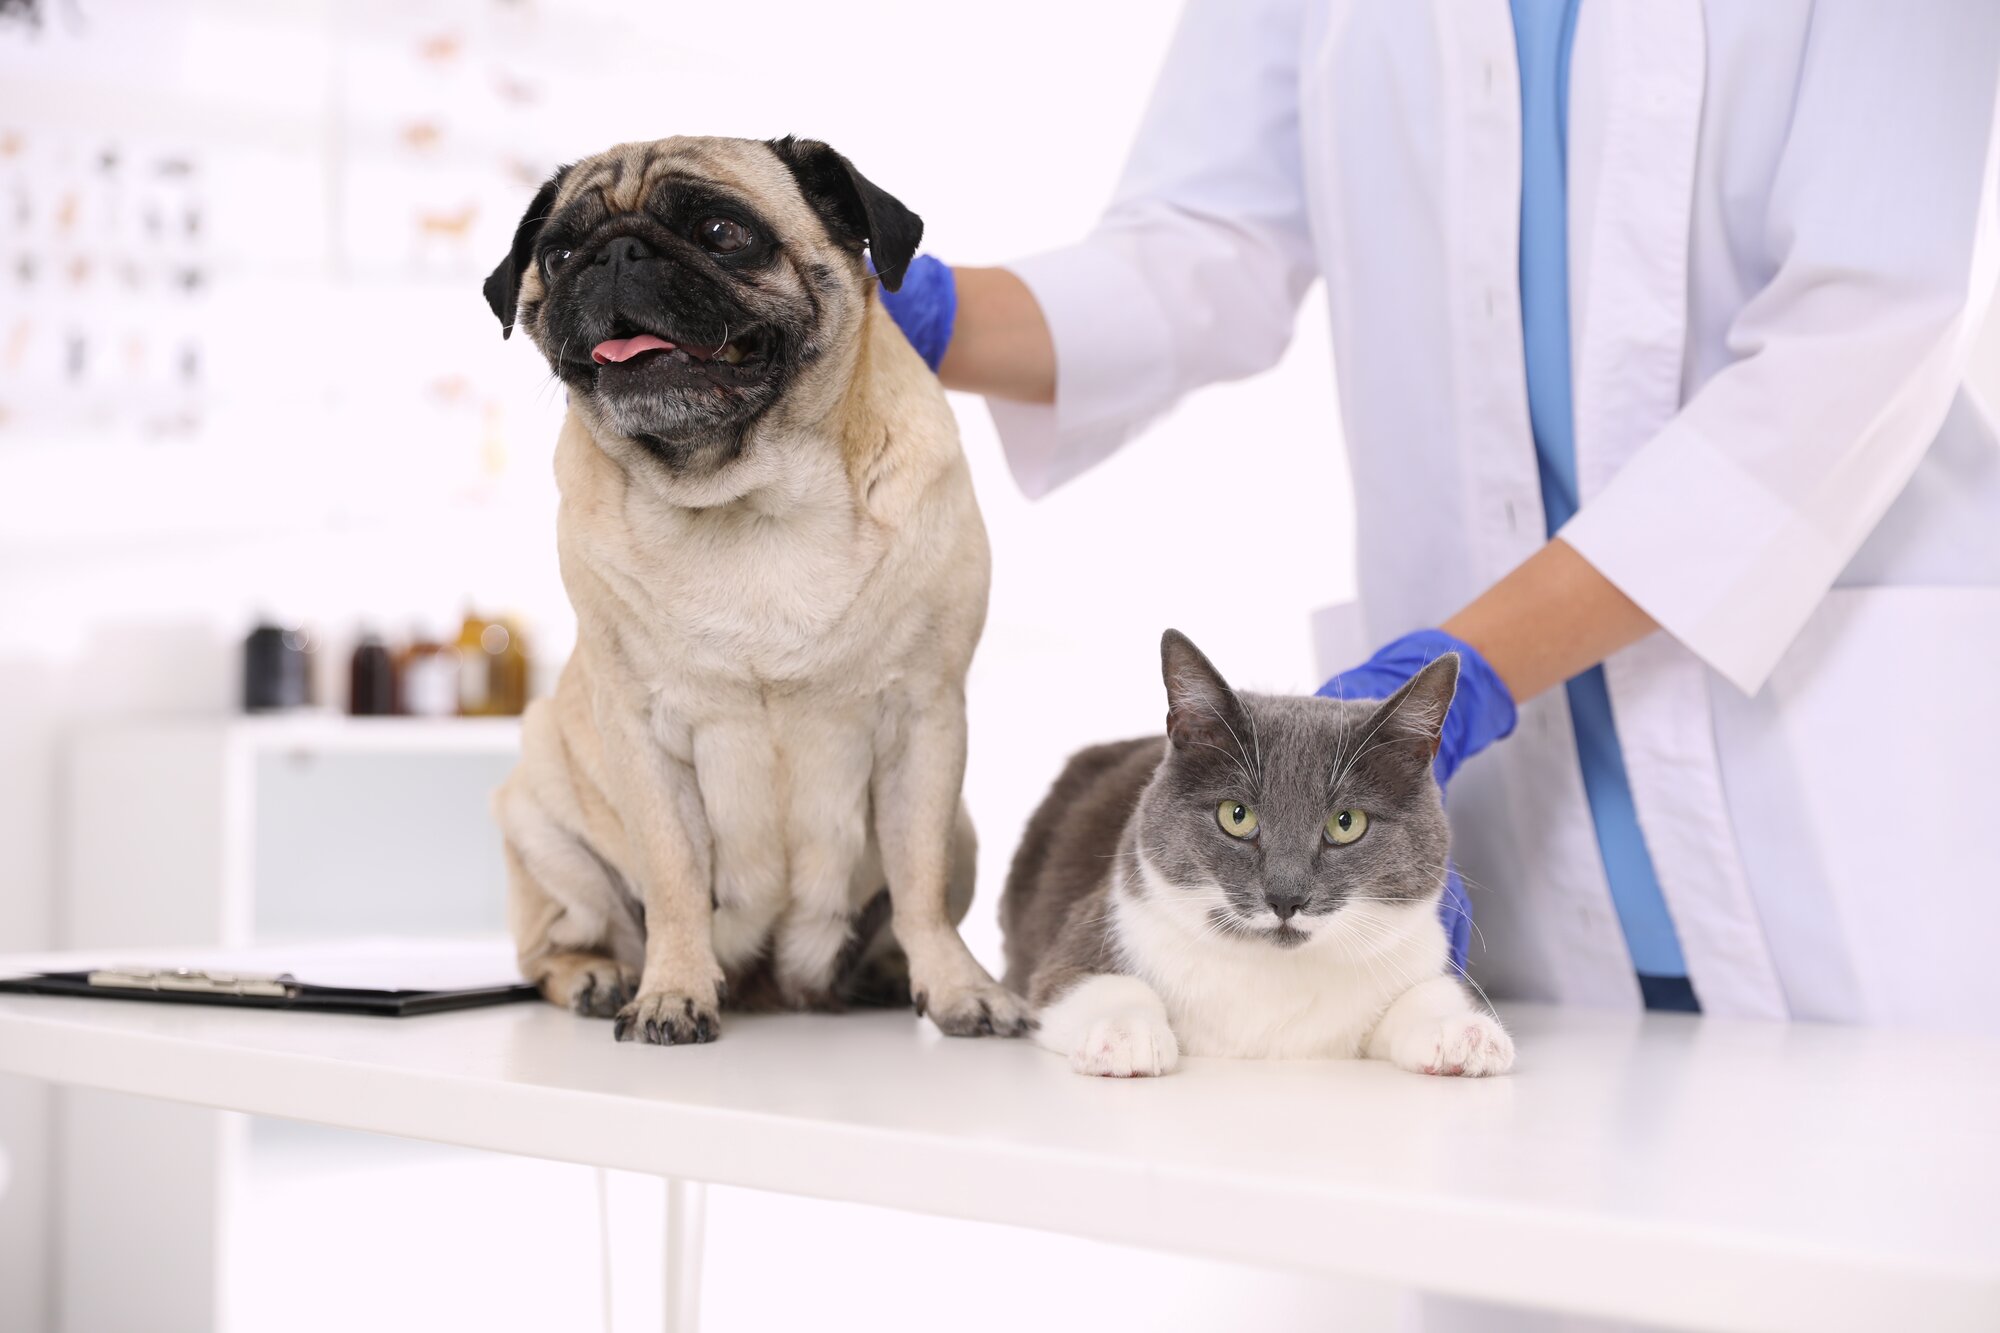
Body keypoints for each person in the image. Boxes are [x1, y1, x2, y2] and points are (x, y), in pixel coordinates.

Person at [883, 0, 2000, 1031]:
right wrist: (890, 307)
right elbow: (1206, 243)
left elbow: (1862, 324)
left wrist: (1474, 666)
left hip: (1831, 790)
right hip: (1519, 855)